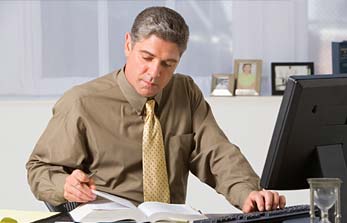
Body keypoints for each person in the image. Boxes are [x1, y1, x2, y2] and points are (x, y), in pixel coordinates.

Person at [26, 6, 285, 213]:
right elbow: (39, 168)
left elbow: (216, 153)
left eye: (168, 64)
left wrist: (247, 192)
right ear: (128, 45)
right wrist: (65, 186)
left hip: (171, 219)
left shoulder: (185, 91)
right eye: (147, 58)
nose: (154, 74)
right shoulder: (82, 102)